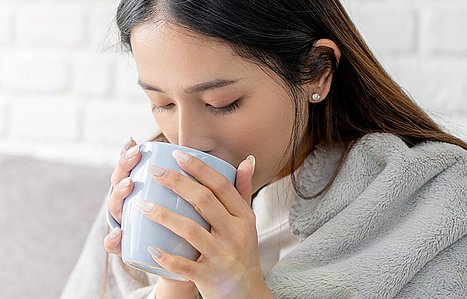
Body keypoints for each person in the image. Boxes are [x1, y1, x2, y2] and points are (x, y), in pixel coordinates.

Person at [60, 0, 467, 298]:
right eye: (162, 104)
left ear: (317, 72)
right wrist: (175, 274)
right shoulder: (144, 190)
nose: (185, 141)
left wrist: (239, 290)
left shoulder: (431, 204)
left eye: (222, 103)